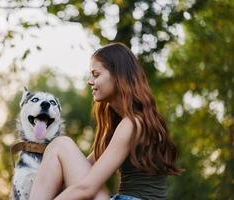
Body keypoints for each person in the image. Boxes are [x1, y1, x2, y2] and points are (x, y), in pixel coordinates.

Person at [29, 42, 182, 200]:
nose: (89, 81)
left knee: (61, 145)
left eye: (96, 75)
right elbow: (77, 171)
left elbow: (86, 189)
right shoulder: (131, 122)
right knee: (58, 149)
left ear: (118, 76)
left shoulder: (132, 124)